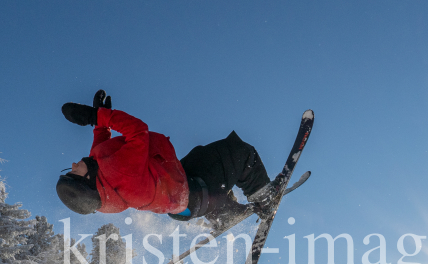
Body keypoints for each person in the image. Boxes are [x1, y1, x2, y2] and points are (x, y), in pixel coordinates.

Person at [56, 90, 275, 224]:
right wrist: (96, 116)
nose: (74, 164)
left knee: (203, 155)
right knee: (240, 154)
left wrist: (98, 124)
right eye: (73, 171)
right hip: (188, 191)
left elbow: (101, 150)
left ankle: (222, 212)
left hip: (176, 188)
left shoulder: (106, 187)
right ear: (86, 180)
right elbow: (138, 130)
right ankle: (264, 198)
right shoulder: (119, 170)